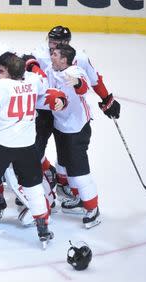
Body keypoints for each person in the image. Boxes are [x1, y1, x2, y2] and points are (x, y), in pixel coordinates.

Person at [0, 56, 66, 248]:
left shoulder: (1, 87)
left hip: (2, 144)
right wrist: (34, 66)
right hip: (27, 145)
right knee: (34, 187)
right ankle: (43, 227)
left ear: (8, 72)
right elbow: (45, 86)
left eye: (1, 70)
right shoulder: (33, 82)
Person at [30, 25, 121, 198]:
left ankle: (64, 183)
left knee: (65, 149)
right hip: (43, 108)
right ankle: (44, 172)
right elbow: (28, 70)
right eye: (50, 40)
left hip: (66, 111)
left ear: (65, 43)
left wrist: (107, 99)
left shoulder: (79, 57)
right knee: (35, 148)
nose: (51, 45)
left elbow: (93, 81)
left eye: (56, 42)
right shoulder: (40, 53)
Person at [45, 43, 101, 229]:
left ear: (64, 60)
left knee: (79, 171)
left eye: (55, 54)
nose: (51, 55)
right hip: (60, 126)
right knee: (66, 164)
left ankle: (93, 209)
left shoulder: (75, 71)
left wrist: (77, 83)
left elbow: (83, 86)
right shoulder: (51, 69)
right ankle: (78, 198)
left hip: (77, 129)